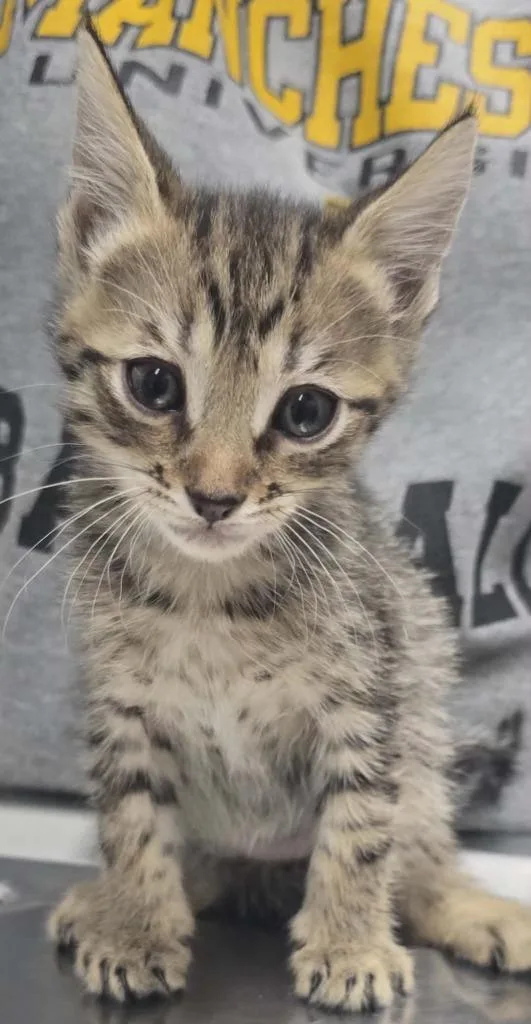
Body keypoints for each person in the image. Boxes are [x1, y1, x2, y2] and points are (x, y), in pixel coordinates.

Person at [0, 0, 529, 830]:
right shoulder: (107, 552)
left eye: (304, 410)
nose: (215, 483)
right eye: (157, 387)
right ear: (92, 228)